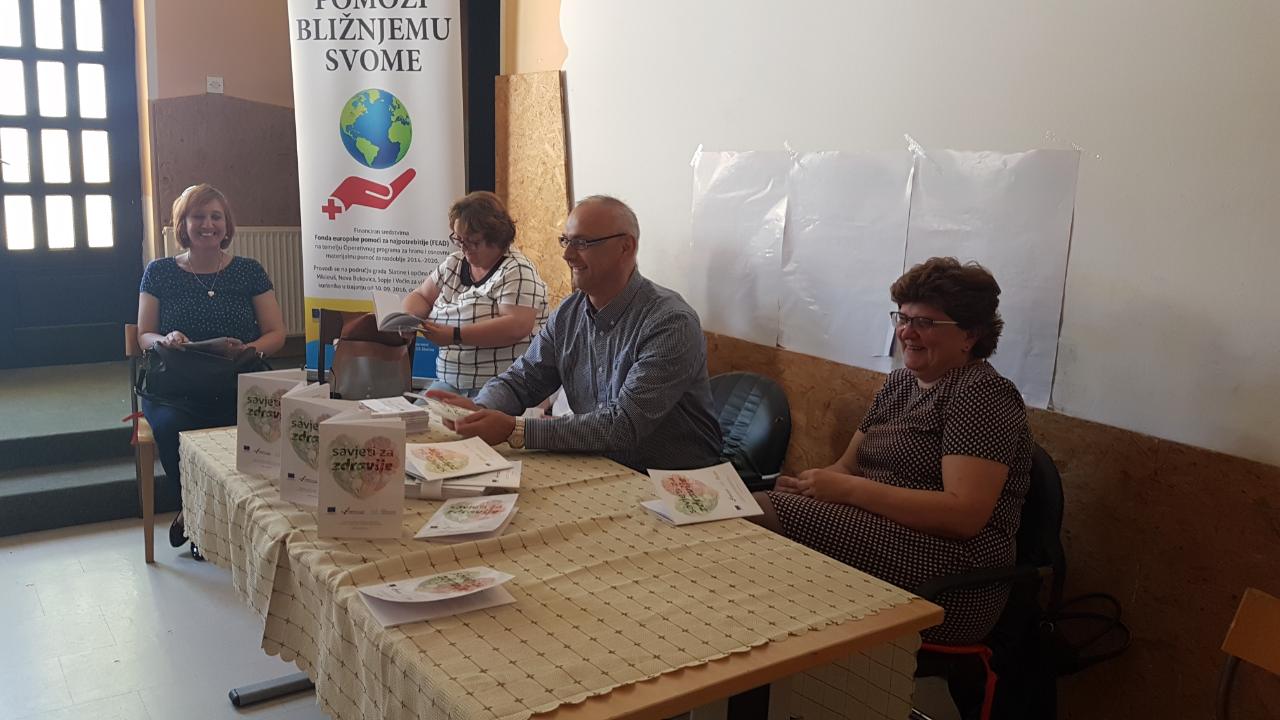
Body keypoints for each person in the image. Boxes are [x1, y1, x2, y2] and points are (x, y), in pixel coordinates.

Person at [753, 257, 1032, 644]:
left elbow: (963, 515)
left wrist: (848, 492)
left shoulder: (982, 393)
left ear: (970, 334)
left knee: (759, 514)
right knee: (753, 504)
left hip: (952, 571)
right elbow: (847, 468)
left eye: (925, 322)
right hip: (883, 533)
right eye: (902, 318)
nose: (906, 332)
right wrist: (807, 487)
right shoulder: (899, 384)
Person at [429, 195, 723, 472]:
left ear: (626, 247)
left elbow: (623, 426)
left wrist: (515, 430)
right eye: (566, 241)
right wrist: (481, 408)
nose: (567, 255)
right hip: (599, 465)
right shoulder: (569, 313)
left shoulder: (670, 322)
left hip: (670, 481)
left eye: (582, 243)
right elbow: (523, 380)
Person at [137, 184, 286, 558]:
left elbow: (276, 334)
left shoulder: (249, 271)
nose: (208, 224)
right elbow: (143, 334)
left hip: (236, 378)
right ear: (183, 225)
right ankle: (197, 515)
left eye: (216, 216)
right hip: (176, 385)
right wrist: (165, 338)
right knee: (171, 426)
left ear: (227, 224)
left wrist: (249, 350)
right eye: (198, 216)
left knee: (259, 421)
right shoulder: (159, 272)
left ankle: (241, 515)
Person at [403, 191, 548, 397]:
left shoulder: (517, 270)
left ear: (496, 238)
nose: (464, 248)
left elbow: (516, 326)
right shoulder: (454, 263)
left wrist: (455, 335)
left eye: (472, 242)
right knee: (411, 417)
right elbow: (421, 296)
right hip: (448, 382)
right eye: (459, 239)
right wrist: (408, 319)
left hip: (500, 385)